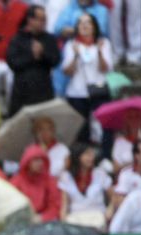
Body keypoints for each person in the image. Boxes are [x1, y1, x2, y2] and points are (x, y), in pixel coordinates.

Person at [60, 13, 111, 144]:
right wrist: (76, 55)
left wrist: (99, 51)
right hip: (77, 92)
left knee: (104, 127)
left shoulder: (103, 43)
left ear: (94, 26)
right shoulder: (71, 44)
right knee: (81, 130)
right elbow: (67, 71)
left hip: (98, 90)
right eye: (81, 23)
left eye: (88, 22)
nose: (84, 25)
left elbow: (105, 69)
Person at [6, 4, 61, 117]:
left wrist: (42, 54)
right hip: (22, 92)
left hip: (43, 91)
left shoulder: (49, 39)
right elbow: (13, 62)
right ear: (30, 20)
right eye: (40, 19)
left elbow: (55, 60)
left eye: (44, 19)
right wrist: (32, 56)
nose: (43, 23)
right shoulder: (17, 39)